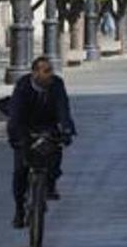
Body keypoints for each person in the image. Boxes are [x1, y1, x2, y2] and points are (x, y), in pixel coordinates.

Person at [6, 56, 76, 228]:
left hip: (48, 125)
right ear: (35, 73)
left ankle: (51, 183)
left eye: (50, 71)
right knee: (20, 170)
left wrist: (66, 129)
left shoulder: (56, 84)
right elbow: (15, 113)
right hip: (25, 126)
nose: (49, 75)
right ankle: (19, 210)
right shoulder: (23, 86)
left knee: (55, 152)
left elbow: (63, 108)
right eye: (45, 71)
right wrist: (15, 137)